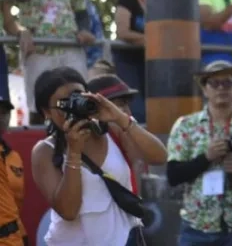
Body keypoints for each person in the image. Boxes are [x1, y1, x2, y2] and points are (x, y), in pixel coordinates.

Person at [29, 67, 167, 245]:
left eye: (78, 97)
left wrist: (119, 117)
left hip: (125, 239)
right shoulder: (44, 151)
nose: (74, 106)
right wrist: (73, 152)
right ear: (46, 112)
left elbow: (159, 157)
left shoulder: (112, 130)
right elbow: (69, 211)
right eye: (65, 103)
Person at [166, 62, 232, 245]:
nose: (221, 88)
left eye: (228, 83)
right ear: (205, 90)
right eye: (214, 83)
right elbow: (173, 176)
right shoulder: (185, 126)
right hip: (197, 225)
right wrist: (206, 157)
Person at [0, 94, 24, 246]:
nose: (2, 117)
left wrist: (22, 233)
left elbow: (16, 201)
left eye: (4, 112)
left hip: (12, 238)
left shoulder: (15, 156)